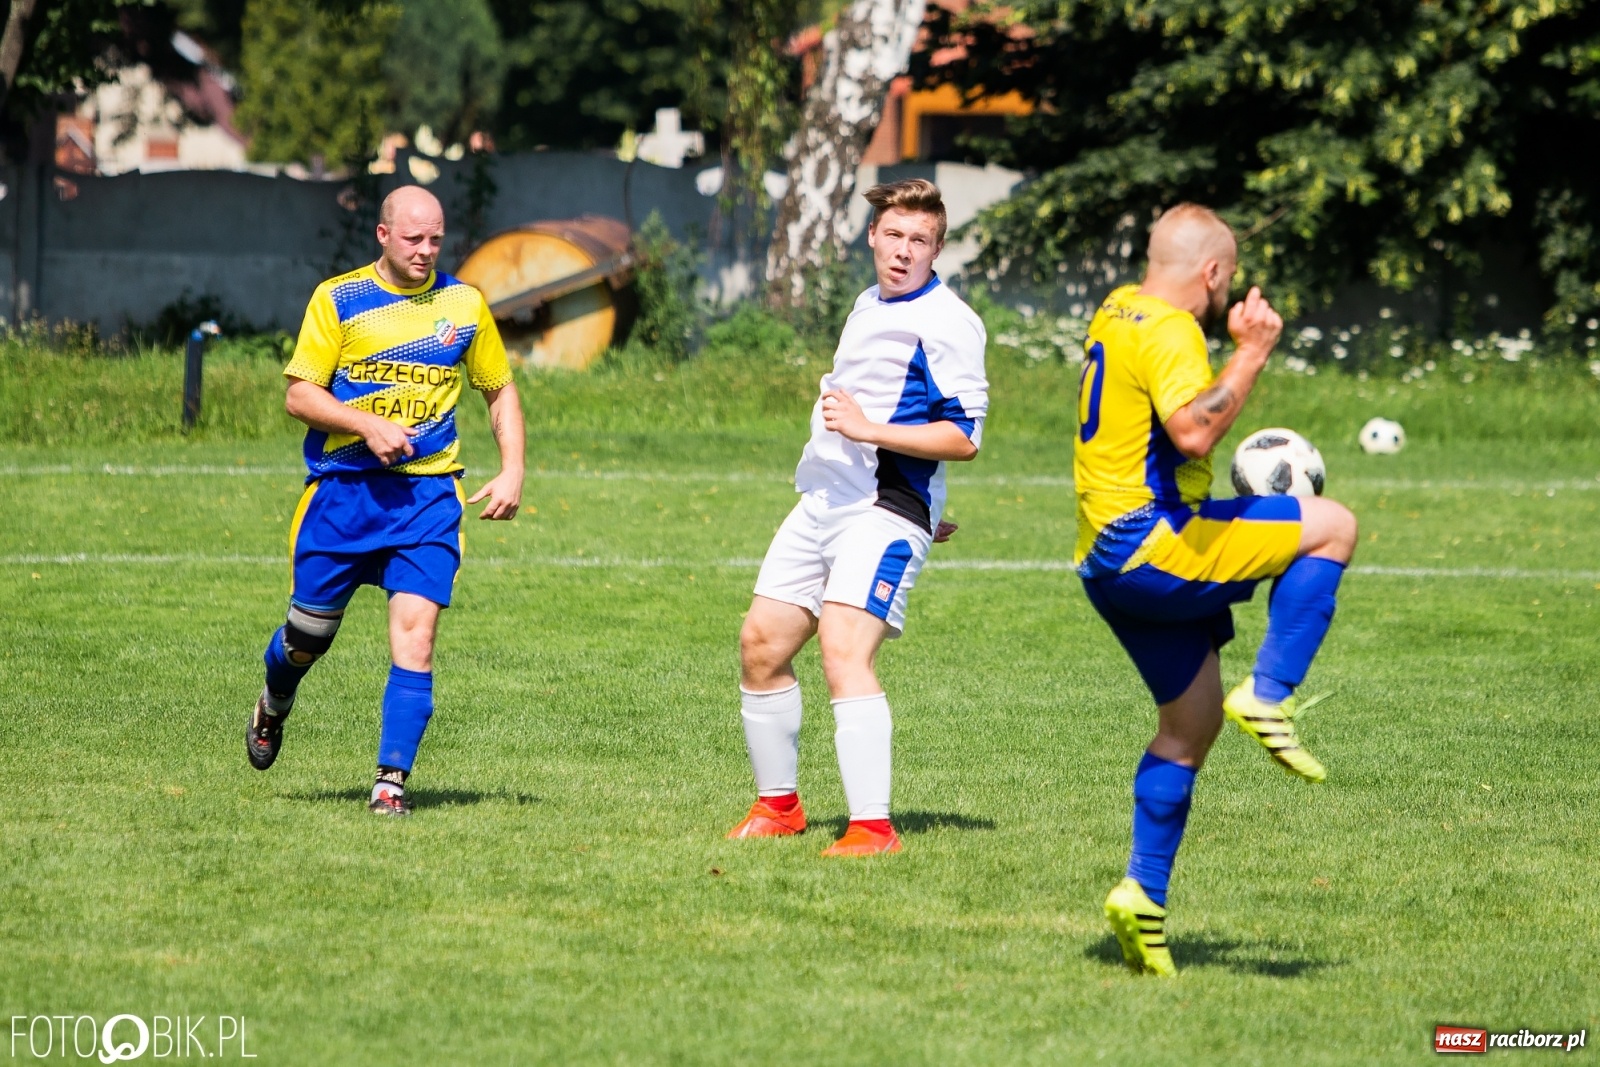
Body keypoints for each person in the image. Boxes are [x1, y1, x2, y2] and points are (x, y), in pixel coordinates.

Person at [1074, 204, 1357, 975]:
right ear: (1212, 273)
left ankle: (1143, 895)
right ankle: (1271, 692)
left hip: (1104, 561)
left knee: (1188, 724)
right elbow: (1195, 430)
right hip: (1155, 545)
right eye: (1224, 279)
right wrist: (1254, 352)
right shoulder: (1168, 327)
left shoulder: (1117, 308)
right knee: (1332, 525)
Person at [245, 185, 525, 817]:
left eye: (436, 239)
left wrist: (513, 471)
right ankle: (274, 699)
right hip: (343, 495)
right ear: (383, 235)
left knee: (417, 637)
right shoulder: (340, 299)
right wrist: (365, 424)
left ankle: (389, 786)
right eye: (413, 238)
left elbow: (499, 388)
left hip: (427, 496)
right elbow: (299, 396)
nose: (427, 250)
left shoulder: (463, 303)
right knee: (307, 637)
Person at [728, 179, 988, 856]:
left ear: (938, 249)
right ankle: (779, 806)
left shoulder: (950, 322)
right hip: (824, 502)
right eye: (894, 235)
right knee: (761, 643)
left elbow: (963, 437)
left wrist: (881, 446)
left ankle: (873, 828)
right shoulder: (868, 302)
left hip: (882, 508)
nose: (904, 251)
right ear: (871, 236)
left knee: (844, 650)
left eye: (920, 241)